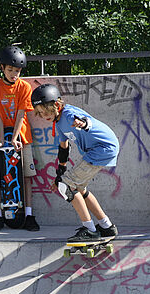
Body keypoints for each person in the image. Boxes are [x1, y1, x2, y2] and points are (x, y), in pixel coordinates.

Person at [31, 84, 119, 241]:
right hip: (101, 149)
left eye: (46, 112)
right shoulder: (58, 123)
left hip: (102, 148)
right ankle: (106, 227)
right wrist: (60, 173)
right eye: (40, 114)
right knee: (77, 187)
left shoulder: (69, 114)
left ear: (56, 105)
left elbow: (86, 121)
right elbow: (64, 148)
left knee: (66, 187)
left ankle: (89, 229)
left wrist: (83, 124)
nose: (45, 117)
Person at [0, 45, 40, 232]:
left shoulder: (24, 87)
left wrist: (15, 139)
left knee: (26, 176)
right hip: (3, 136)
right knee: (1, 176)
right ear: (2, 67)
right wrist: (2, 141)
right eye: (10, 70)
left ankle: (28, 215)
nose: (14, 74)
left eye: (17, 71)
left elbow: (20, 114)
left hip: (22, 137)